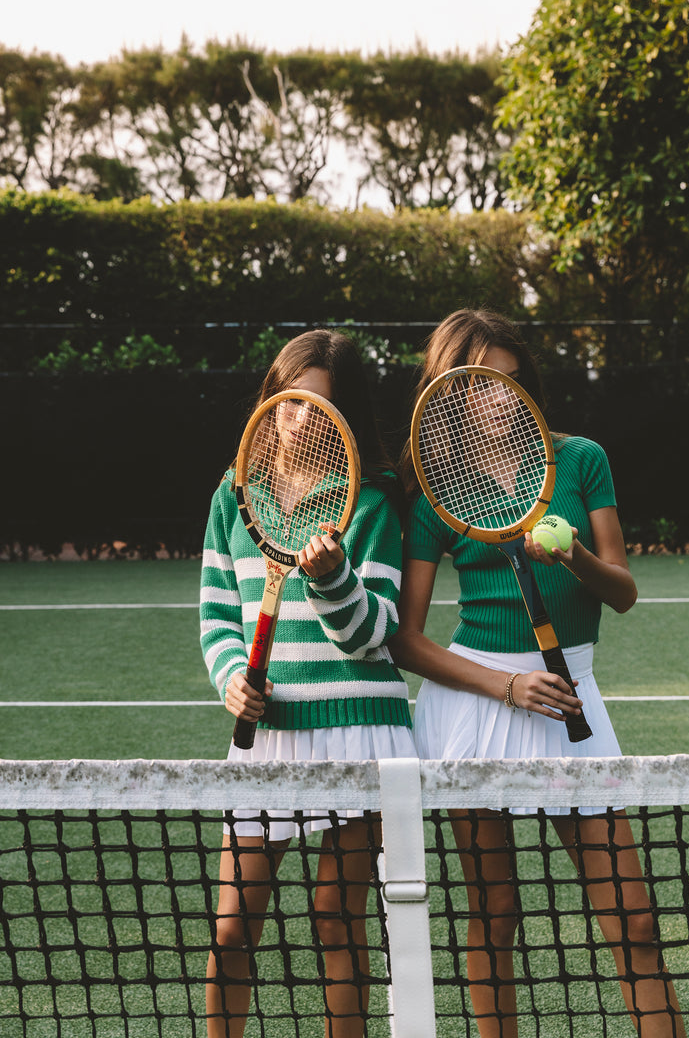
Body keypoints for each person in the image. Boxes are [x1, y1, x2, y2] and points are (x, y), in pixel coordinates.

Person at [389, 309, 686, 1038]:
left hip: (573, 700)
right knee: (494, 916)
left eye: (511, 383)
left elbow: (622, 593)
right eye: (482, 385)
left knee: (635, 918)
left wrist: (576, 555)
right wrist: (507, 687)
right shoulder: (434, 492)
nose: (500, 398)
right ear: (452, 392)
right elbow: (405, 640)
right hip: (476, 707)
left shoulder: (581, 459)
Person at [200, 329, 414, 1038]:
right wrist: (234, 679)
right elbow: (217, 617)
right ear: (271, 401)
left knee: (336, 920)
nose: (301, 419)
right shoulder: (233, 498)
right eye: (290, 402)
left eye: (320, 407)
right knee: (231, 928)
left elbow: (370, 634)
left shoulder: (375, 500)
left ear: (345, 417)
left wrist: (331, 579)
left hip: (359, 729)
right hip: (266, 742)